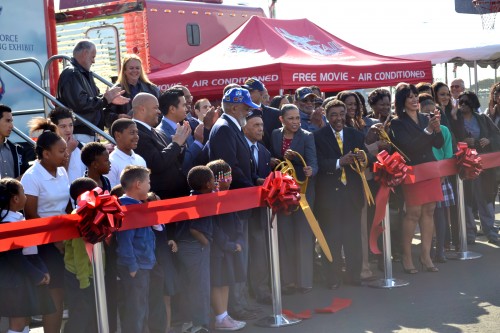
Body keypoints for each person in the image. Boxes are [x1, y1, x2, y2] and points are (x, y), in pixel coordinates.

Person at [208, 87, 260, 320]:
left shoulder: (230, 127)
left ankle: (240, 303)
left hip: (240, 200)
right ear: (234, 107)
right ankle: (236, 307)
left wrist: (255, 182)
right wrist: (250, 187)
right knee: (237, 254)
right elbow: (229, 166)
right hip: (233, 202)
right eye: (246, 107)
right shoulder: (224, 129)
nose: (249, 111)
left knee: (242, 253)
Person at [21, 119, 70, 333]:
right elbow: (31, 214)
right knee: (54, 294)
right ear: (46, 154)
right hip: (43, 243)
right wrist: (54, 241)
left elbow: (67, 205)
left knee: (63, 293)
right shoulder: (31, 176)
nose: (66, 154)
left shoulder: (62, 171)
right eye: (61, 151)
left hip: (64, 239)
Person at [389, 83, 444, 274]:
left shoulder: (425, 118)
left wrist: (436, 130)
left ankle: (426, 255)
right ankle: (407, 256)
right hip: (413, 170)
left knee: (429, 210)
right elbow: (408, 148)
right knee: (413, 212)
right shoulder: (397, 123)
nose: (414, 99)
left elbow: (438, 143)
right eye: (409, 97)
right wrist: (428, 131)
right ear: (402, 102)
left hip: (430, 168)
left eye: (415, 96)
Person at [314, 99, 367, 289]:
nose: (338, 118)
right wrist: (339, 162)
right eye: (334, 115)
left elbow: (366, 159)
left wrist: (363, 158)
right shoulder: (317, 136)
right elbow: (318, 164)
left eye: (341, 114)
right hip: (329, 198)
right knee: (332, 239)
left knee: (353, 238)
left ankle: (354, 276)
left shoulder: (356, 134)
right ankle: (333, 278)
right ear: (327, 117)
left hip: (352, 196)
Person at [270, 104, 317, 293]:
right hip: (282, 192)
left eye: (298, 118)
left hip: (302, 192)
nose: (296, 122)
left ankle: (304, 281)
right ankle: (287, 280)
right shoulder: (275, 134)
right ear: (282, 120)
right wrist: (274, 160)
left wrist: (310, 170)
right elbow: (273, 157)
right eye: (291, 118)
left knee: (304, 235)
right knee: (285, 234)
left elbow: (313, 163)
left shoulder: (307, 136)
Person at [0, 178, 54, 333]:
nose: (26, 196)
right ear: (15, 199)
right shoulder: (8, 225)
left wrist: (42, 270)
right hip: (13, 281)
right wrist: (37, 274)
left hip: (21, 278)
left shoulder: (16, 220)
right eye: (23, 192)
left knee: (23, 321)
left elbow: (31, 251)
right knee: (17, 322)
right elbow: (15, 257)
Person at [57, 40, 129, 143]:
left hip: (86, 131)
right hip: (80, 132)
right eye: (93, 57)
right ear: (85, 53)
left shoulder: (81, 73)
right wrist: (106, 99)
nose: (93, 61)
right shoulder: (72, 73)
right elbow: (80, 103)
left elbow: (92, 99)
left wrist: (110, 99)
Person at [207, 160, 247, 331]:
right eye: (225, 177)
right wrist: (228, 244)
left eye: (230, 176)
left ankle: (225, 315)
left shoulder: (228, 197)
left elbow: (237, 221)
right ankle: (220, 317)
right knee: (218, 281)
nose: (229, 181)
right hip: (219, 249)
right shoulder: (210, 200)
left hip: (231, 247)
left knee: (227, 280)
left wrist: (238, 240)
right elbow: (214, 228)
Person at [115, 165, 156, 333]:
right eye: (148, 182)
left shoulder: (136, 206)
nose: (150, 186)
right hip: (135, 268)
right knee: (135, 311)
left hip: (142, 266)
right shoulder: (128, 209)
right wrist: (132, 266)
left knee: (141, 309)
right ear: (138, 184)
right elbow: (125, 241)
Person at [457, 91, 500, 245]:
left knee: (486, 198)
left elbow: (497, 135)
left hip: (484, 165)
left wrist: (488, 140)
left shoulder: (482, 119)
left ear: (473, 103)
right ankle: (470, 232)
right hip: (465, 165)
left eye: (466, 102)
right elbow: (452, 138)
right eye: (460, 101)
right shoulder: (456, 120)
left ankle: (490, 231)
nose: (462, 104)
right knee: (468, 199)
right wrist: (463, 141)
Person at [176, 165, 215, 333]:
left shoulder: (191, 196)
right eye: (213, 179)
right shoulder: (202, 201)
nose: (215, 182)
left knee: (191, 285)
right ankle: (199, 324)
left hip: (184, 247)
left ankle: (190, 322)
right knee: (200, 286)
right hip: (194, 247)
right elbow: (195, 229)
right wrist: (207, 243)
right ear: (207, 184)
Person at [132, 92, 191, 199]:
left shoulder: (155, 131)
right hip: (164, 198)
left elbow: (174, 162)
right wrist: (176, 144)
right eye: (155, 108)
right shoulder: (137, 134)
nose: (159, 111)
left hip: (176, 194)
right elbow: (157, 163)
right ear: (142, 109)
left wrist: (180, 145)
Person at [241, 110, 272, 304]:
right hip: (242, 209)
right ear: (244, 127)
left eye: (261, 125)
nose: (260, 129)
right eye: (255, 125)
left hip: (260, 210)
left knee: (260, 248)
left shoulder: (264, 151)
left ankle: (261, 289)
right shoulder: (239, 147)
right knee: (243, 251)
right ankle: (243, 293)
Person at [420, 95, 455, 263]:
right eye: (425, 114)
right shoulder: (420, 132)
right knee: (423, 215)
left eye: (432, 113)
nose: (429, 117)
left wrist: (442, 175)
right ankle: (427, 250)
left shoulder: (444, 130)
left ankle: (440, 250)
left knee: (439, 214)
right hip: (422, 177)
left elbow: (448, 154)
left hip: (440, 177)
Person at [63, 177, 100, 333]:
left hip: (90, 275)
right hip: (78, 277)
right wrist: (84, 280)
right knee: (80, 315)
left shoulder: (94, 214)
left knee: (90, 316)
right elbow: (80, 253)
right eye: (96, 192)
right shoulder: (79, 218)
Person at [105, 54, 160, 128]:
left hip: (149, 129)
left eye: (137, 68)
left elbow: (161, 110)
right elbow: (105, 115)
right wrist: (118, 117)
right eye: (131, 68)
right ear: (124, 71)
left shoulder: (152, 89)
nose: (134, 71)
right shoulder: (116, 91)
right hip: (127, 132)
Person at [157, 88, 204, 174]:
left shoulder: (183, 126)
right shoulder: (161, 133)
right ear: (172, 109)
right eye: (183, 105)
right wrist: (198, 142)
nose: (187, 109)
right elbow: (181, 163)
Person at [49, 107, 86, 183]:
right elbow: (57, 177)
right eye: (63, 126)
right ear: (54, 128)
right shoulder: (48, 151)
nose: (68, 130)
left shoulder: (82, 147)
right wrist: (68, 150)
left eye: (70, 125)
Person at [242, 77, 281, 149]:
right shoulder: (240, 112)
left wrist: (270, 156)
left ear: (261, 93)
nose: (247, 93)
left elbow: (278, 140)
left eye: (250, 91)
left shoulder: (275, 114)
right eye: (245, 91)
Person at [106, 118, 147, 187]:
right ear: (118, 135)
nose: (136, 137)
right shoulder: (111, 162)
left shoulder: (140, 159)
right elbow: (111, 192)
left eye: (137, 133)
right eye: (132, 133)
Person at [0, 104, 30, 179]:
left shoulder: (18, 150)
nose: (11, 126)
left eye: (11, 121)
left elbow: (26, 176)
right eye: (7, 121)